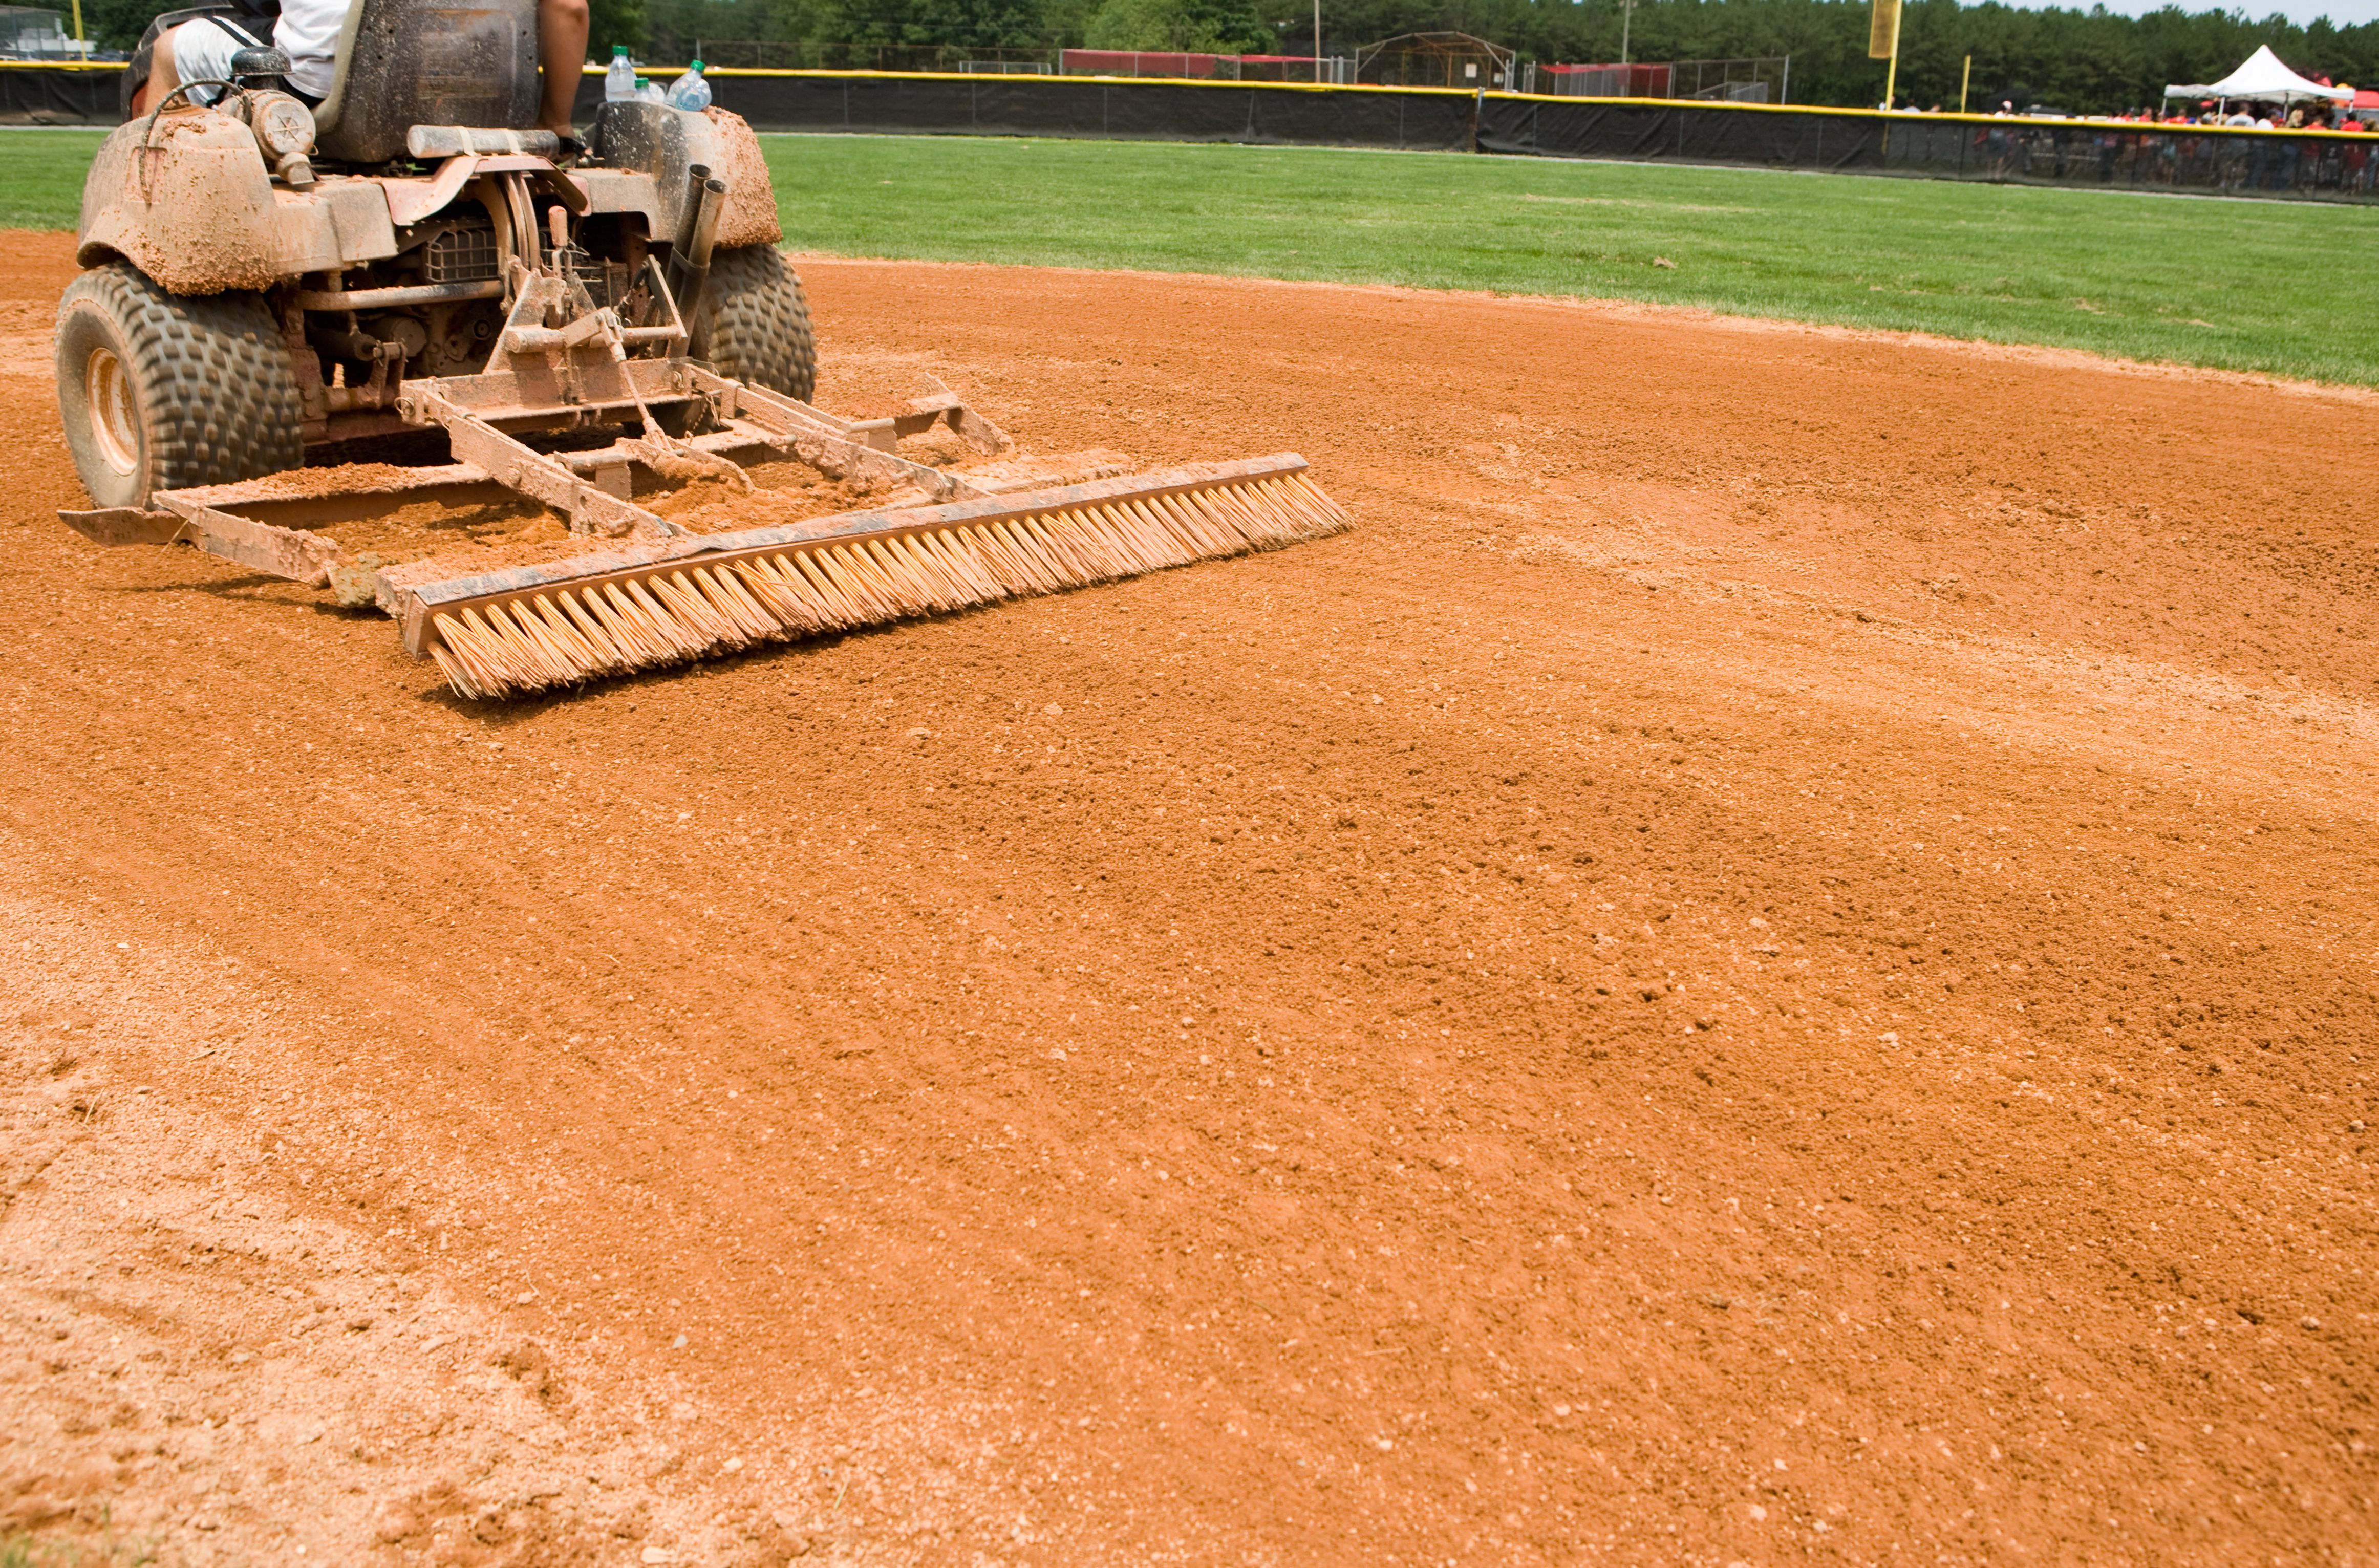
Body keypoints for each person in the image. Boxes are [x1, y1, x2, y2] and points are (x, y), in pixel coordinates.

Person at [138, 0, 590, 139]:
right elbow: (569, 8)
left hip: (331, 96)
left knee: (169, 45)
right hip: (488, 102)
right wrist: (555, 123)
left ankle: (153, 226)